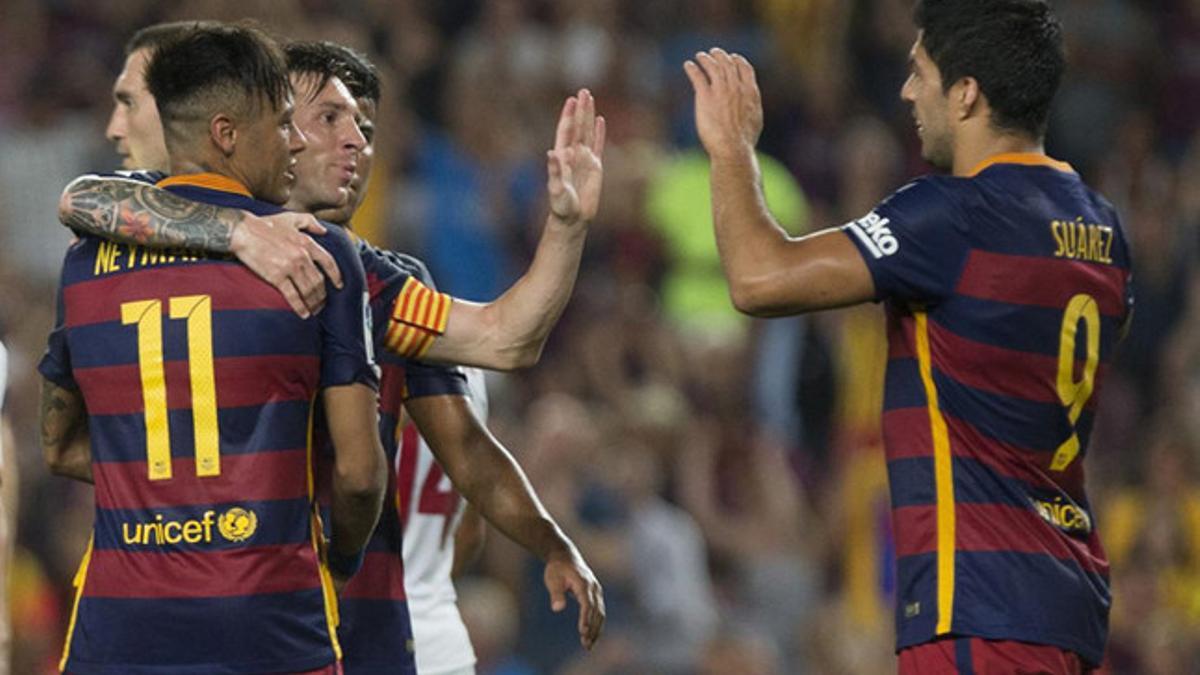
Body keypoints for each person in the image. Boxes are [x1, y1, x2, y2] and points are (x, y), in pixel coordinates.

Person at [58, 36, 607, 672]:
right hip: (258, 620)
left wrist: (565, 227)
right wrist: (240, 232)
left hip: (335, 624)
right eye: (327, 119)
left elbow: (495, 370)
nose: (356, 141)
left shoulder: (372, 280)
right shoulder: (158, 237)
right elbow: (83, 197)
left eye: (365, 126)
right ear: (272, 125)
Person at [684, 0, 1132, 672]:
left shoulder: (952, 217)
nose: (907, 91)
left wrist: (731, 150)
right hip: (1067, 605)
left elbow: (758, 277)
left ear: (967, 93)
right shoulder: (1103, 232)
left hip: (976, 609)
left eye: (920, 72)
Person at [38, 25, 387, 674]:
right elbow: (359, 474)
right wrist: (334, 558)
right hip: (272, 625)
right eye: (284, 123)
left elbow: (56, 446)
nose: (298, 139)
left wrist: (156, 482)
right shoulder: (315, 254)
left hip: (118, 633)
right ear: (227, 134)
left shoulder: (83, 262)